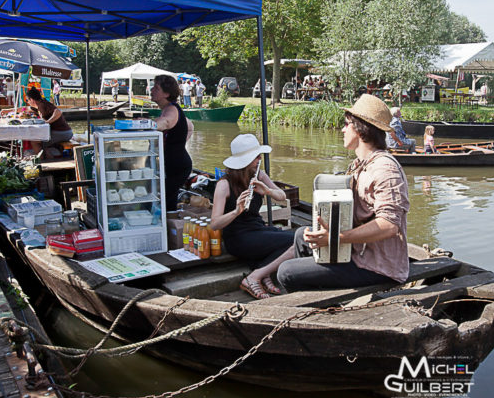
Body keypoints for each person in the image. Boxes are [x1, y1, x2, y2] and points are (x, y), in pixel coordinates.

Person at [277, 94, 410, 292]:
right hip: (356, 251)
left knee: (286, 272)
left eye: (347, 124)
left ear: (360, 129)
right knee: (301, 237)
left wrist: (335, 238)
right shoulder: (360, 164)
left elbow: (389, 225)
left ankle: (312, 302)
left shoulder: (385, 169)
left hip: (377, 266)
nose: (343, 129)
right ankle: (316, 297)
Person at [209, 134, 293, 299]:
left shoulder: (259, 175)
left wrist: (267, 191)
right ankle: (254, 278)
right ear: (246, 161)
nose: (259, 159)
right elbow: (215, 224)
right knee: (294, 242)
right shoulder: (224, 185)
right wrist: (236, 211)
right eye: (256, 157)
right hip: (238, 237)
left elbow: (282, 196)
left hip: (257, 229)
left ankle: (262, 271)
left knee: (299, 237)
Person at [150, 74, 193, 211]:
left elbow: (165, 123)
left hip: (178, 166)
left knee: (167, 201)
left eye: (156, 88)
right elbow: (190, 126)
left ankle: (171, 223)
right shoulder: (167, 109)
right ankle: (171, 221)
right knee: (167, 199)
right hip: (172, 164)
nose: (151, 90)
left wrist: (145, 124)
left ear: (167, 93)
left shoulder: (172, 109)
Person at [25, 87, 73, 158]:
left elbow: (58, 112)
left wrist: (47, 122)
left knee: (34, 141)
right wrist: (8, 110)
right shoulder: (40, 105)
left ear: (31, 99)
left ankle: (42, 160)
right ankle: (47, 156)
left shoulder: (43, 105)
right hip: (61, 132)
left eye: (27, 100)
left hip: (62, 132)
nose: (27, 102)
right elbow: (25, 108)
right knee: (42, 140)